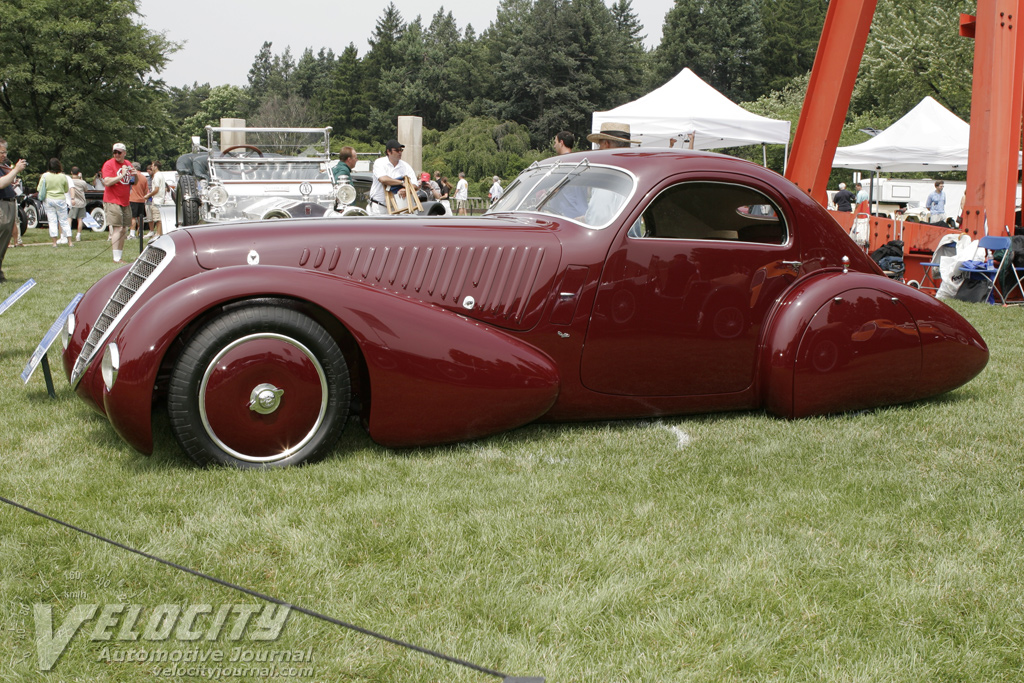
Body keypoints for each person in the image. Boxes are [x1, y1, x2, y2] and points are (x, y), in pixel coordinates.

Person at [101, 142, 138, 263]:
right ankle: (115, 257)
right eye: (114, 152)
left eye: (119, 152)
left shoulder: (128, 164)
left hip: (125, 201)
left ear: (124, 153)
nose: (116, 155)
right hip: (112, 200)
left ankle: (119, 256)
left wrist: (135, 175)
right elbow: (106, 182)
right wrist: (121, 175)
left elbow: (133, 182)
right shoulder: (109, 164)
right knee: (117, 227)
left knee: (124, 229)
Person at [0, 138, 28, 283]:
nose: (4, 155)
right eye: (2, 152)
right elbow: (1, 183)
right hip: (1, 207)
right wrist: (16, 170)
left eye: (5, 152)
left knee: (4, 242)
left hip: (8, 205)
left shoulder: (2, 166)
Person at [368, 139, 415, 215]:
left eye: (401, 150)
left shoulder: (406, 166)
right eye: (397, 150)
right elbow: (383, 179)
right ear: (388, 152)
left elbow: (415, 185)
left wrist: (406, 189)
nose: (400, 152)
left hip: (397, 209)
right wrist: (402, 183)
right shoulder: (380, 162)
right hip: (378, 208)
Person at [38, 158, 73, 247]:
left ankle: (54, 242)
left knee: (52, 221)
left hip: (49, 199)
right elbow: (66, 190)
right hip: (61, 199)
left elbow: (39, 188)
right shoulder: (63, 176)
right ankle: (70, 242)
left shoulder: (45, 175)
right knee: (64, 221)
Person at [145, 160, 168, 240]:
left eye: (152, 165)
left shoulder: (157, 176)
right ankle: (159, 233)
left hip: (157, 199)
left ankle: (158, 233)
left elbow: (156, 189)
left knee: (158, 219)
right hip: (160, 199)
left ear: (156, 167)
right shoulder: (160, 175)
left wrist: (148, 195)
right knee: (158, 218)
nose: (151, 167)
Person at [68, 167, 90, 241]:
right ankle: (78, 235)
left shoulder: (70, 181)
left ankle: (68, 233)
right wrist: (81, 178)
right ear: (78, 173)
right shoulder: (82, 182)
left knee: (70, 218)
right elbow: (86, 189)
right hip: (82, 202)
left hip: (73, 202)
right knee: (80, 219)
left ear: (71, 172)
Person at [128, 161, 149, 239]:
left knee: (133, 217)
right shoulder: (144, 177)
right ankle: (141, 233)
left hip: (133, 199)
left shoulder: (132, 176)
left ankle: (132, 233)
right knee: (140, 217)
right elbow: (146, 190)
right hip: (141, 200)